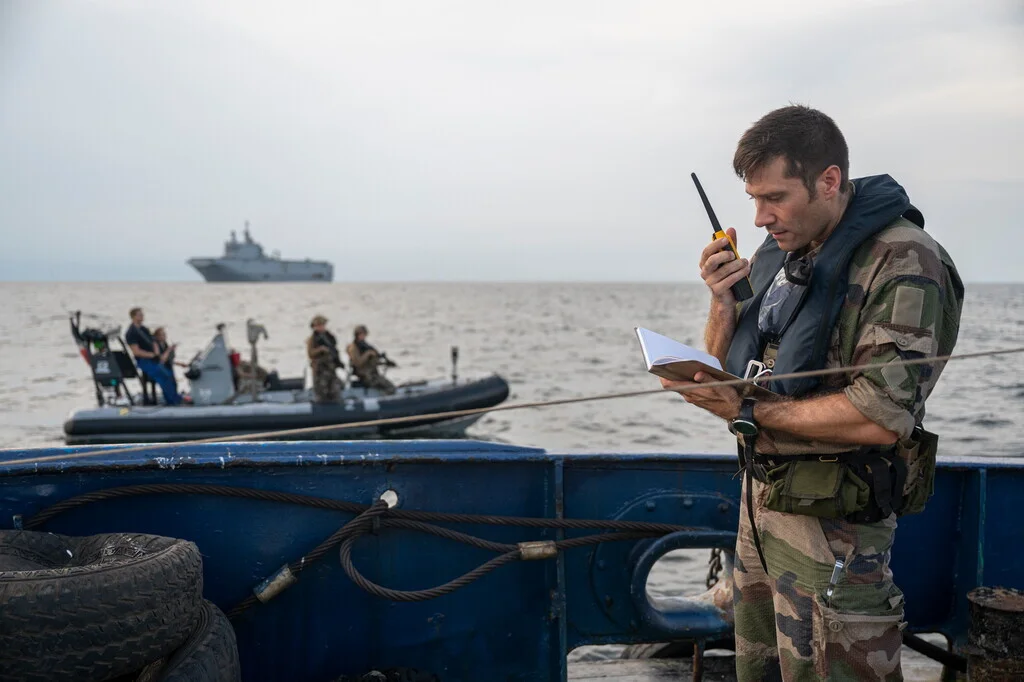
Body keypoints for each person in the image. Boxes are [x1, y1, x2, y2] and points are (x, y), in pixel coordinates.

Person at [659, 106, 964, 681]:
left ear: (828, 181)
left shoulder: (905, 261)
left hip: (834, 533)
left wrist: (748, 408)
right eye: (752, 198)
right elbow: (730, 371)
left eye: (774, 197)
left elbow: (881, 417)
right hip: (762, 511)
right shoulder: (791, 255)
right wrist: (722, 305)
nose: (758, 218)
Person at [125, 308, 183, 405]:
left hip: (154, 359)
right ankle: (171, 401)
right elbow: (136, 351)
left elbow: (153, 341)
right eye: (139, 315)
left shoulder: (144, 329)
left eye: (142, 314)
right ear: (133, 317)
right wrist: (151, 355)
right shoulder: (131, 333)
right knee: (163, 374)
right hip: (144, 361)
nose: (142, 316)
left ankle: (174, 397)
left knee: (169, 372)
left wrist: (158, 352)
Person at [346, 325, 396, 395]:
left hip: (372, 374)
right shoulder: (353, 348)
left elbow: (372, 361)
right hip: (365, 376)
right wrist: (367, 354)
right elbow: (357, 363)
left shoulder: (364, 345)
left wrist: (384, 362)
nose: (363, 336)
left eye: (364, 334)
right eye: (362, 334)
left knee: (388, 386)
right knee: (390, 388)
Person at [307, 315, 343, 403]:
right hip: (320, 370)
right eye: (319, 325)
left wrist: (338, 362)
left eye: (322, 325)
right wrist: (320, 349)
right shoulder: (312, 339)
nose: (321, 327)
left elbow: (334, 350)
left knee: (335, 391)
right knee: (321, 394)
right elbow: (310, 353)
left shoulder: (329, 337)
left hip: (330, 368)